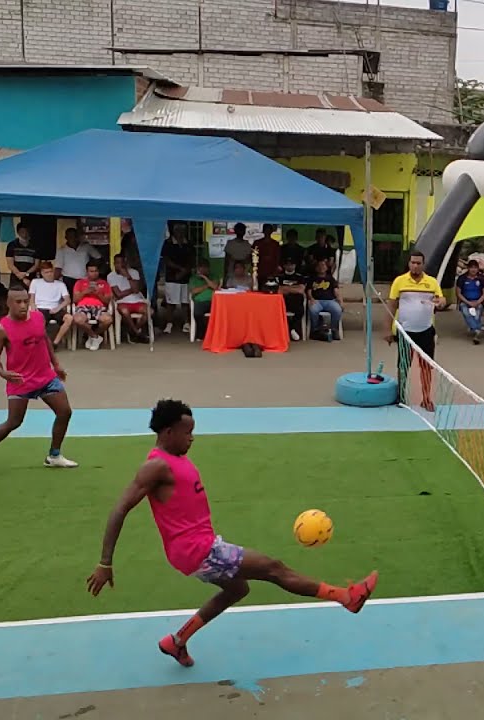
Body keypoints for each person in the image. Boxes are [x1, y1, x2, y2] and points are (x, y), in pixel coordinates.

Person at [85, 399, 379, 667]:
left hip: (201, 546)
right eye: (187, 432)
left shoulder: (175, 458)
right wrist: (104, 563)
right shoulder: (156, 466)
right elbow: (119, 509)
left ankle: (177, 642)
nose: (192, 437)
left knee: (238, 589)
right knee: (273, 568)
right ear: (168, 432)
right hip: (197, 550)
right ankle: (345, 597)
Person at [0, 285, 78, 475]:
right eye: (18, 302)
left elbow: (44, 340)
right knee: (13, 422)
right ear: (8, 303)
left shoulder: (37, 317)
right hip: (20, 381)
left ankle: (54, 456)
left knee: (64, 412)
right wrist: (4, 374)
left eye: (25, 301)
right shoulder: (2, 329)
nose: (23, 305)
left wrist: (56, 364)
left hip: (45, 377)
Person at [386, 250, 446, 412]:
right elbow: (391, 306)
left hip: (426, 331)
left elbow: (441, 300)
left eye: (418, 263)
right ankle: (401, 396)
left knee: (426, 366)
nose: (415, 265)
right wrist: (388, 330)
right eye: (413, 262)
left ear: (423, 265)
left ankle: (426, 399)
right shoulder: (399, 281)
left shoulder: (432, 282)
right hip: (405, 331)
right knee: (403, 365)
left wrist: (440, 303)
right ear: (409, 264)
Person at [72, 261, 114, 351]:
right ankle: (95, 337)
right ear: (87, 272)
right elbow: (75, 300)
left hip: (99, 307)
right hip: (83, 306)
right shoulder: (79, 282)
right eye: (91, 271)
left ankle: (92, 336)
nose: (94, 273)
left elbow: (107, 301)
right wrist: (84, 292)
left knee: (108, 320)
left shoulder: (104, 283)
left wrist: (98, 293)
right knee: (78, 320)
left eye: (96, 271)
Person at [29, 264, 74, 348]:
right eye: (46, 272)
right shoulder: (35, 282)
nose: (49, 274)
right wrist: (33, 307)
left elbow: (67, 300)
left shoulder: (60, 284)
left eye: (51, 271)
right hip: (40, 307)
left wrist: (58, 308)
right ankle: (41, 343)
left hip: (55, 308)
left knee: (69, 318)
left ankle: (55, 343)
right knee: (38, 319)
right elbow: (31, 298)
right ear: (42, 273)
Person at [161, 224, 194, 335]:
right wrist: (180, 269)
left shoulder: (188, 243)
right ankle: (169, 324)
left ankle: (186, 324)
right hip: (172, 277)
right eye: (178, 230)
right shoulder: (168, 243)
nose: (180, 232)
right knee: (171, 303)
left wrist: (185, 271)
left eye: (182, 230)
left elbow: (192, 260)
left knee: (185, 302)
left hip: (186, 277)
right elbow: (166, 260)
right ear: (174, 232)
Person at [108, 254, 149, 343]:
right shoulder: (111, 276)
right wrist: (132, 290)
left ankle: (133, 331)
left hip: (137, 300)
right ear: (114, 264)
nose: (121, 265)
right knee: (124, 311)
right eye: (118, 263)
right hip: (122, 302)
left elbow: (136, 290)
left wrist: (128, 276)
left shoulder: (134, 272)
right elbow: (118, 294)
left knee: (150, 312)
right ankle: (137, 333)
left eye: (123, 262)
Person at [54, 227, 100, 293]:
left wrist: (92, 270)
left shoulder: (86, 247)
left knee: (84, 299)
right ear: (66, 237)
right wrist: (53, 282)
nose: (73, 238)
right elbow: (58, 267)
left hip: (84, 279)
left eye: (74, 236)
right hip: (68, 280)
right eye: (70, 236)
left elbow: (98, 258)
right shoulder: (61, 250)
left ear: (77, 237)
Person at [306, 257, 342, 340]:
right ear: (316, 268)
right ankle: (315, 330)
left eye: (323, 265)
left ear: (326, 267)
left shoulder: (331, 279)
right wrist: (311, 298)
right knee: (313, 310)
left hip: (330, 301)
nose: (321, 267)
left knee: (337, 310)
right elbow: (309, 291)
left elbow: (336, 291)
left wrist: (340, 300)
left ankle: (333, 329)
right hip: (317, 301)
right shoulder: (312, 279)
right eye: (319, 265)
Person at [456, 259, 484, 344]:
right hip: (465, 301)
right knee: (466, 313)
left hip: (478, 301)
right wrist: (468, 302)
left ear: (478, 269)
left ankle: (475, 331)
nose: (473, 270)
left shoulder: (482, 278)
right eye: (471, 268)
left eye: (475, 268)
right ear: (468, 268)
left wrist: (478, 302)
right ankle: (477, 329)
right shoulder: (462, 278)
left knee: (477, 316)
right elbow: (459, 293)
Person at [276, 258, 307, 341]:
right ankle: (288, 330)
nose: (290, 266)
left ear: (295, 265)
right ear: (284, 266)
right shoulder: (279, 277)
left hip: (296, 302)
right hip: (283, 302)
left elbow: (301, 290)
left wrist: (286, 289)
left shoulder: (300, 277)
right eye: (288, 264)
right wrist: (294, 288)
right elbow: (278, 290)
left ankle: (292, 329)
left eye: (292, 264)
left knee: (300, 308)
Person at [189, 259, 219, 340]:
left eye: (205, 267)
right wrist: (206, 286)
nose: (203, 269)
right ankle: (201, 335)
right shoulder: (193, 279)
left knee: (222, 313)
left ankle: (216, 335)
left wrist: (205, 277)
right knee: (197, 313)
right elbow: (194, 291)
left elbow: (215, 286)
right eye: (201, 267)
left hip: (214, 301)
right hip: (200, 302)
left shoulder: (213, 276)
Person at [6, 222, 40, 290]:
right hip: (16, 277)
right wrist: (21, 276)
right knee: (16, 298)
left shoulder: (36, 246)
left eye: (27, 231)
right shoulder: (12, 245)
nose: (25, 234)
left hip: (31, 277)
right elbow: (10, 264)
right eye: (22, 231)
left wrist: (26, 274)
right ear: (18, 232)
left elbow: (37, 265)